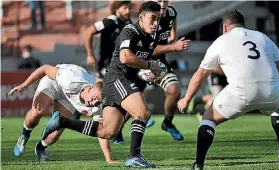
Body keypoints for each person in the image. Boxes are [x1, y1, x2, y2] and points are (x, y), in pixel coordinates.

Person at [41, 2, 189, 168]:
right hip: (117, 78)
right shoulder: (130, 31)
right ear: (141, 17)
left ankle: (62, 122)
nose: (156, 23)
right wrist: (148, 66)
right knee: (142, 113)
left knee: (108, 132)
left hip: (126, 80)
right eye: (152, 19)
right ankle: (134, 156)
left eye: (158, 19)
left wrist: (148, 70)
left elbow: (143, 56)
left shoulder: (152, 35)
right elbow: (125, 57)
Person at [177, 10, 279, 170]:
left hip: (242, 93)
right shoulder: (262, 37)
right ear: (243, 24)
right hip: (272, 90)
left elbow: (200, 74)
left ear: (225, 27)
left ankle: (198, 163)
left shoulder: (221, 41)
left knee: (209, 118)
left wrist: (186, 99)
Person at [113, 0, 191, 144]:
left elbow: (173, 21)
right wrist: (174, 47)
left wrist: (173, 35)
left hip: (159, 63)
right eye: (158, 1)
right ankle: (118, 129)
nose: (162, 4)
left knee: (175, 90)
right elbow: (149, 49)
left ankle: (167, 122)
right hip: (140, 63)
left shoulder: (172, 12)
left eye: (164, 1)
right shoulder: (148, 22)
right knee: (137, 104)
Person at [9, 64, 118, 163]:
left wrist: (109, 159)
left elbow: (101, 131)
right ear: (91, 87)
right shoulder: (70, 78)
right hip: (53, 83)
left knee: (55, 134)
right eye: (94, 98)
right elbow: (45, 68)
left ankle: (40, 149)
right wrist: (24, 85)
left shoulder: (98, 106)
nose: (93, 103)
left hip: (67, 98)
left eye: (98, 101)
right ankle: (24, 135)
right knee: (37, 112)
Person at [84, 1, 132, 77]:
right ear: (117, 8)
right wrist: (90, 55)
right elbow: (88, 32)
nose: (128, 11)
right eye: (125, 8)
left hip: (123, 67)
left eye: (129, 8)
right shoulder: (109, 21)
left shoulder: (127, 23)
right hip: (107, 66)